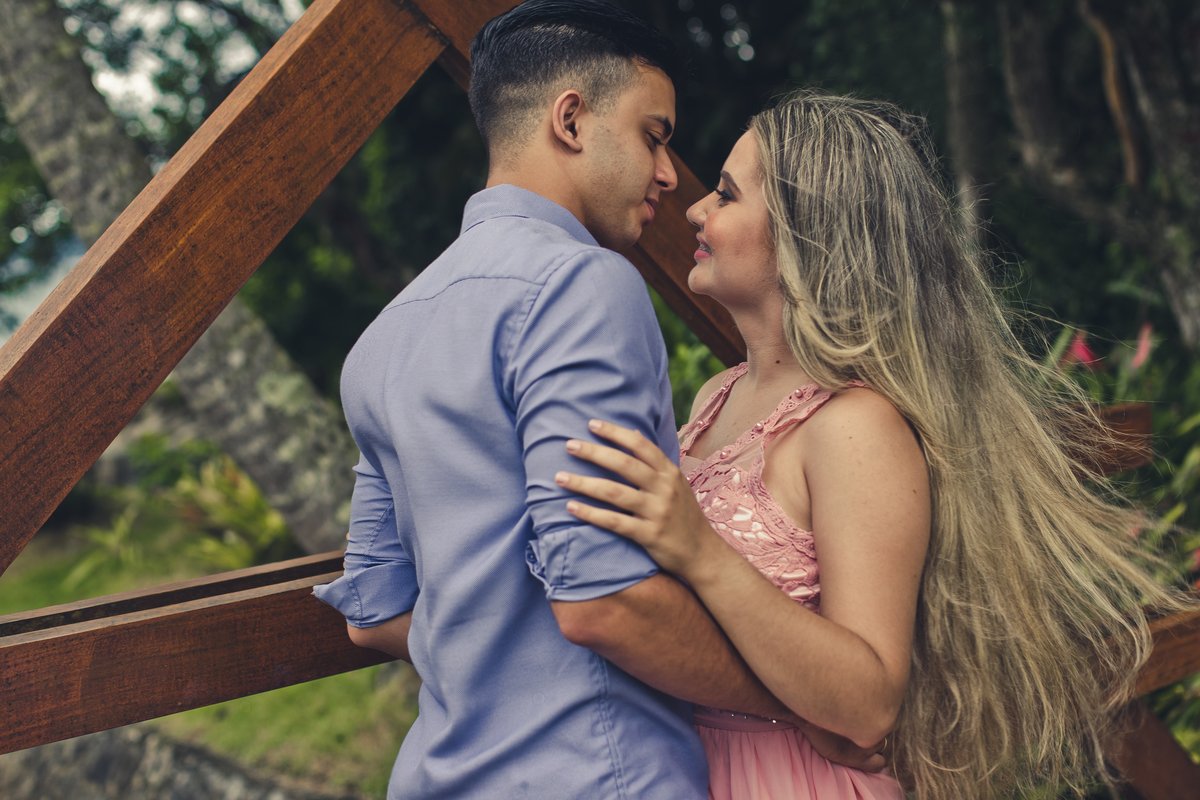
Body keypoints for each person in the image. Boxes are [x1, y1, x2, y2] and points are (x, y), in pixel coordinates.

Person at [314, 5, 879, 799]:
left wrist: (500, 656)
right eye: (653, 134)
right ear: (572, 119)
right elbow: (603, 604)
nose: (667, 174)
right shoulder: (583, 284)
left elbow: (373, 612)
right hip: (599, 775)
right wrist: (789, 707)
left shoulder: (386, 333)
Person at [558, 91, 1190, 800]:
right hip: (678, 767)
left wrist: (699, 553)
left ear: (806, 234)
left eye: (728, 196)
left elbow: (868, 702)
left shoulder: (855, 425)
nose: (698, 211)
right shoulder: (715, 399)